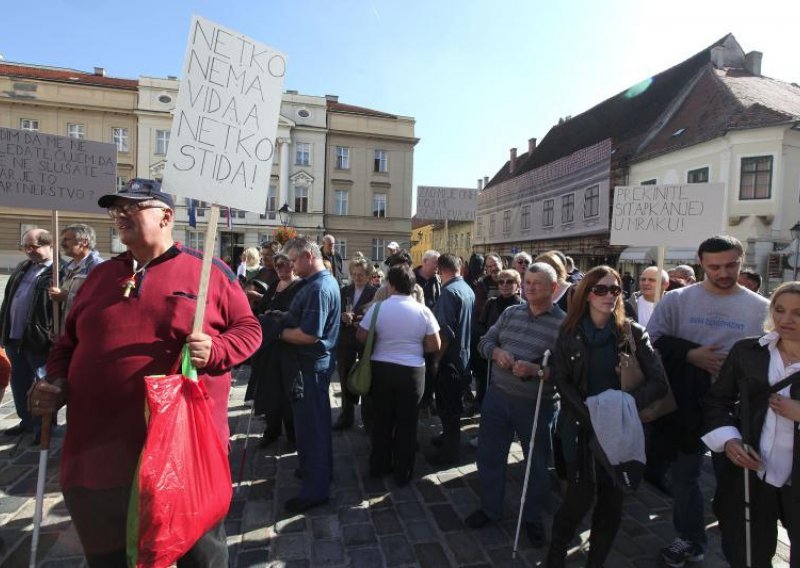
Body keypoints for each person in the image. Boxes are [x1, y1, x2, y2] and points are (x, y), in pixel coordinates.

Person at [30, 178, 261, 566]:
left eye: (132, 207)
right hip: (99, 454)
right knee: (108, 555)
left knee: (200, 554)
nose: (121, 215)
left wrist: (217, 349)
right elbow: (67, 345)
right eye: (116, 208)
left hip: (183, 452)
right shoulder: (99, 278)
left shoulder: (210, 272)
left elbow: (250, 330)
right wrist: (56, 382)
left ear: (166, 216)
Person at [647, 235, 769, 567]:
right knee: (685, 477)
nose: (723, 272)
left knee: (731, 483)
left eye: (731, 265)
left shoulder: (761, 308)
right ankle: (689, 538)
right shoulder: (676, 300)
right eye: (714, 266)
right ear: (701, 264)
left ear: (742, 261)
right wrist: (690, 354)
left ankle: (736, 548)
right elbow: (651, 342)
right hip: (686, 404)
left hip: (735, 410)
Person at [546, 266, 668, 566]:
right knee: (578, 500)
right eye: (600, 289)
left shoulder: (632, 333)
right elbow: (561, 380)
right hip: (582, 427)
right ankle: (555, 557)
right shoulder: (570, 332)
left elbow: (659, 384)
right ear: (586, 294)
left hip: (622, 431)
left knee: (612, 505)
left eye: (615, 290)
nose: (609, 295)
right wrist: (591, 414)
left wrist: (622, 405)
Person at [465, 263, 565, 547]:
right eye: (528, 281)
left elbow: (567, 373)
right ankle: (490, 508)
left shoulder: (563, 324)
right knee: (490, 456)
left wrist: (537, 372)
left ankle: (531, 516)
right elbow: (484, 341)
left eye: (538, 283)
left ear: (554, 288)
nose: (530, 287)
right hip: (498, 397)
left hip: (537, 405)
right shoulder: (510, 312)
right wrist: (496, 352)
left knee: (536, 464)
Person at [702, 281, 800, 567]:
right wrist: (730, 441)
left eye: (798, 313)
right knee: (748, 554)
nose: (786, 319)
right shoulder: (748, 351)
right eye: (779, 310)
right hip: (753, 475)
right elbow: (717, 401)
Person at [358, 265, 440, 485]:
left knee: (382, 420)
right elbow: (434, 344)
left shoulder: (378, 308)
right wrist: (414, 342)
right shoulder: (423, 310)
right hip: (412, 371)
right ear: (413, 286)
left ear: (390, 284)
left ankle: (379, 466)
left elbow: (361, 336)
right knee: (407, 423)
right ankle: (402, 473)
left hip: (381, 369)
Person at [278, 236, 341, 513]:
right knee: (313, 425)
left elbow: (308, 334)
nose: (291, 266)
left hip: (310, 367)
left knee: (312, 427)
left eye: (293, 261)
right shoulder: (317, 283)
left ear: (307, 255)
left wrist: (277, 332)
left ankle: (315, 490)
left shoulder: (319, 288)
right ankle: (316, 471)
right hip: (312, 366)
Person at [0, 228, 56, 441]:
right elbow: (9, 299)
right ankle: (26, 421)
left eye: (32, 246)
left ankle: (43, 428)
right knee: (19, 382)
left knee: (43, 384)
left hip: (38, 338)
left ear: (48, 245)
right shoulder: (24, 267)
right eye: (25, 247)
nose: (28, 251)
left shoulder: (58, 271)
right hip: (15, 336)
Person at [250, 252, 304, 447]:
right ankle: (271, 431)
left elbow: (297, 315)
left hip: (288, 347)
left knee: (288, 391)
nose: (281, 269)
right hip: (270, 347)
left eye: (285, 265)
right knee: (270, 389)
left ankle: (293, 435)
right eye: (278, 265)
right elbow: (262, 308)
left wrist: (277, 318)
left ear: (293, 265)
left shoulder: (299, 287)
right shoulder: (274, 286)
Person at [428, 254, 475, 465]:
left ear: (440, 269)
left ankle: (450, 452)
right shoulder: (466, 288)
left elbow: (445, 333)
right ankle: (448, 439)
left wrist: (436, 360)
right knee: (453, 405)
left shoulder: (448, 292)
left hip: (450, 359)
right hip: (463, 357)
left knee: (448, 408)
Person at [470, 268, 525, 417]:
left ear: (518, 284)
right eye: (501, 282)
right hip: (491, 353)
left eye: (510, 282)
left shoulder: (523, 306)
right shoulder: (491, 303)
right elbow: (481, 325)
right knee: (487, 387)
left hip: (513, 354)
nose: (505, 285)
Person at [334, 255, 378, 431]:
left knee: (367, 379)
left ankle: (368, 419)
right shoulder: (345, 291)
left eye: (361, 274)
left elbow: (378, 315)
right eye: (354, 274)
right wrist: (342, 316)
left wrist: (361, 318)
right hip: (346, 340)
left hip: (366, 341)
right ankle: (346, 416)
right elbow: (335, 313)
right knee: (344, 377)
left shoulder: (375, 292)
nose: (357, 277)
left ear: (368, 275)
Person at [48, 223, 104, 335]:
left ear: (84, 242)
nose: (62, 243)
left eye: (67, 239)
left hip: (84, 333)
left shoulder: (99, 267)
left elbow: (99, 300)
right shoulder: (67, 267)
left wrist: (67, 297)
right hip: (66, 332)